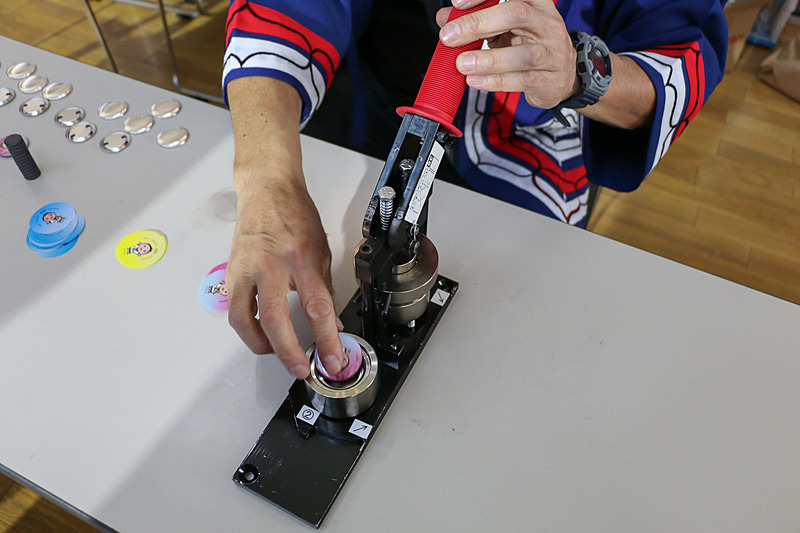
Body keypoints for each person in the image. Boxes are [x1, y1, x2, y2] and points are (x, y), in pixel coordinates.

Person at [221, 0, 728, 379]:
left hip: (533, 165)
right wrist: (267, 177)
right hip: (371, 112)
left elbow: (677, 57)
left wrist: (579, 73)